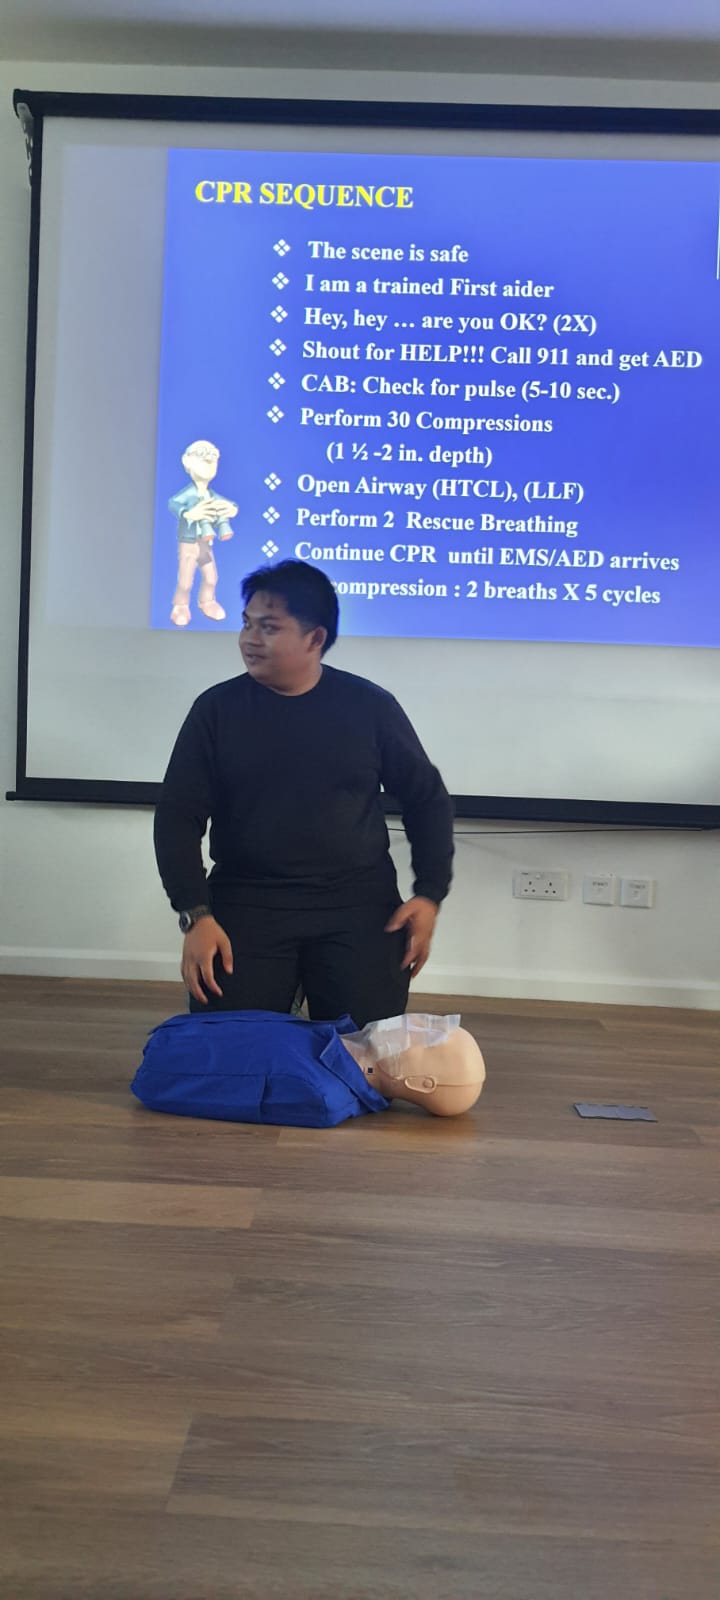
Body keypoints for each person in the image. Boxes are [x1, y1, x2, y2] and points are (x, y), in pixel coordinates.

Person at [154, 559, 454, 1028]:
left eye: (269, 627)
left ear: (315, 638)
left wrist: (430, 895)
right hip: (248, 899)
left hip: (356, 900)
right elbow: (177, 816)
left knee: (367, 1049)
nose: (249, 639)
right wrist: (195, 916)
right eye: (247, 624)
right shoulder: (216, 710)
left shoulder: (370, 707)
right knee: (233, 1046)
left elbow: (426, 799)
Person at [168, 439, 238, 627]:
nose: (209, 462)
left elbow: (228, 504)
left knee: (211, 577)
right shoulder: (188, 494)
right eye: (202, 457)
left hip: (206, 543)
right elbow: (174, 504)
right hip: (189, 542)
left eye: (213, 459)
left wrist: (231, 509)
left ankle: (207, 602)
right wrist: (188, 514)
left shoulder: (211, 495)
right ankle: (180, 606)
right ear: (187, 462)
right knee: (185, 581)